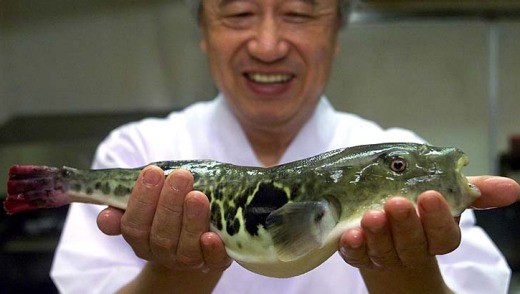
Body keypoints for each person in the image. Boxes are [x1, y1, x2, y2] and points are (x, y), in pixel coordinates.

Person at [51, 0, 520, 293]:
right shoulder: (135, 150)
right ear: (203, 30)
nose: (269, 45)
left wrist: (402, 272)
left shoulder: (412, 156)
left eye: (298, 12)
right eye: (237, 13)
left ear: (337, 29)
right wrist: (174, 273)